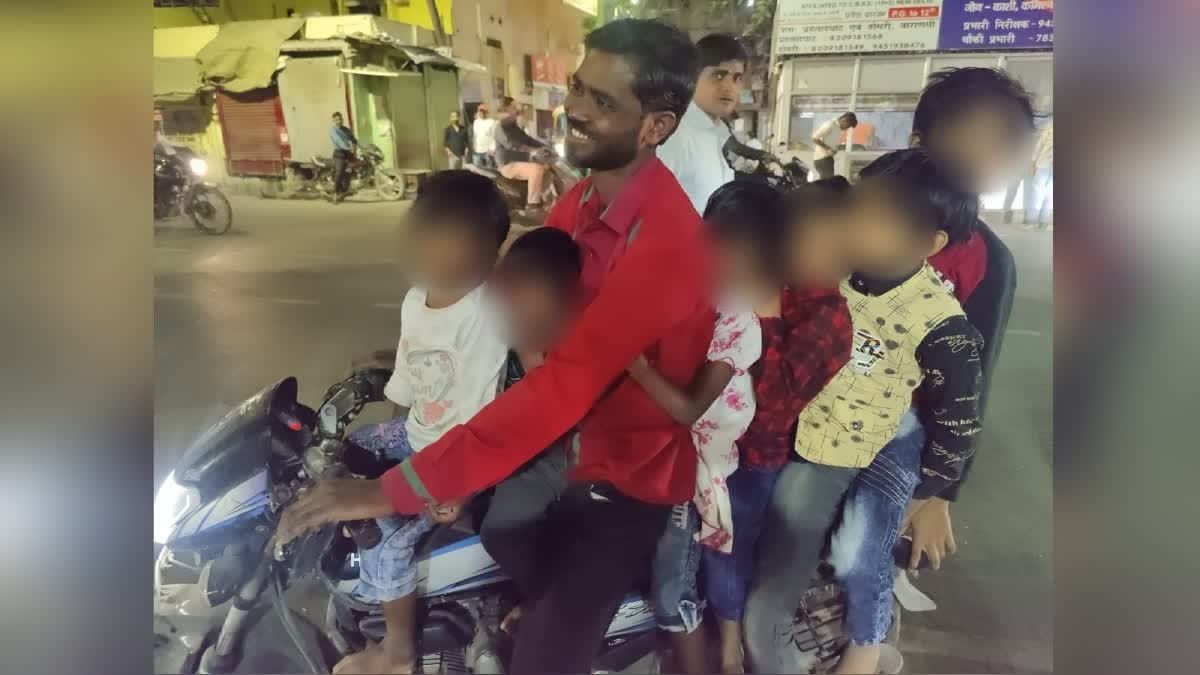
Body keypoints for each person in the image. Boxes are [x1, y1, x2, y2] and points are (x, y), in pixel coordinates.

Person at [278, 18, 711, 674]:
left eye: (602, 102)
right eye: (578, 89)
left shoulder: (665, 242)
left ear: (657, 126)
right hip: (557, 455)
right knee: (498, 528)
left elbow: (563, 384)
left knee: (541, 656)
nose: (575, 110)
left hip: (623, 478)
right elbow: (512, 304)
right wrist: (414, 356)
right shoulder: (583, 202)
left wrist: (391, 490)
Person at [743, 149, 985, 673]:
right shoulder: (839, 274)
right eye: (855, 206)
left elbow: (958, 420)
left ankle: (864, 651)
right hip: (815, 434)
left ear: (927, 244)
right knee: (779, 557)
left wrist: (930, 495)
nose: (852, 225)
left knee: (851, 556)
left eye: (875, 219)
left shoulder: (941, 324)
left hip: (878, 445)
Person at [640, 180, 853, 675]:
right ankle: (709, 631)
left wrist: (762, 309)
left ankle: (729, 645)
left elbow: (774, 403)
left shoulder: (821, 315)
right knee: (696, 548)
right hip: (702, 448)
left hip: (755, 456)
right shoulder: (734, 291)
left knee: (728, 552)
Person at [322, 171, 510, 674]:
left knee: (389, 547)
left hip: (456, 459)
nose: (435, 260)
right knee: (345, 448)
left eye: (455, 248)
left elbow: (481, 409)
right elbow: (410, 370)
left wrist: (462, 488)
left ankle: (398, 650)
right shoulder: (416, 300)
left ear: (488, 256)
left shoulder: (486, 313)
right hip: (417, 437)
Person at [476, 228, 582, 623]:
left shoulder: (564, 338)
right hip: (525, 441)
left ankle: (549, 602)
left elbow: (546, 398)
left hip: (563, 452)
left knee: (501, 529)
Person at [656, 33, 747, 211]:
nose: (729, 87)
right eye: (719, 75)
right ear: (693, 78)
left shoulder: (717, 134)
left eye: (737, 78)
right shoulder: (676, 135)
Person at [494, 96, 550, 212]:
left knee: (548, 166)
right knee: (536, 169)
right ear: (506, 109)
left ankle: (545, 197)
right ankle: (532, 204)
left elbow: (527, 139)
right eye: (513, 107)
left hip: (521, 161)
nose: (517, 109)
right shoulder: (501, 128)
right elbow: (511, 144)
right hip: (508, 164)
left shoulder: (514, 127)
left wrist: (544, 146)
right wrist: (532, 151)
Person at [1004, 118, 1053, 228]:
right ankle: (1012, 213)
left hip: (1035, 164)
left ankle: (1032, 219)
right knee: (1017, 190)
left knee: (1035, 192)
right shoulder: (1045, 129)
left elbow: (1038, 147)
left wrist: (1033, 162)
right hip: (1024, 165)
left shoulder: (1043, 130)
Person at [811, 112, 857, 179]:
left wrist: (835, 149)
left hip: (828, 159)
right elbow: (814, 138)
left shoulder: (837, 128)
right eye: (847, 126)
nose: (846, 129)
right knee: (827, 185)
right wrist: (828, 148)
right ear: (843, 120)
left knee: (828, 184)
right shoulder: (830, 124)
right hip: (822, 160)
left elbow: (830, 142)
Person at [329, 111, 358, 202]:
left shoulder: (346, 129)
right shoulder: (333, 130)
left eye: (340, 119)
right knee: (340, 173)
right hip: (339, 155)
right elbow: (339, 142)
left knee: (349, 173)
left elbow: (354, 139)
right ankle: (335, 193)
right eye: (337, 119)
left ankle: (345, 190)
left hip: (348, 155)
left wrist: (361, 146)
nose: (339, 121)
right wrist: (348, 147)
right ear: (333, 120)